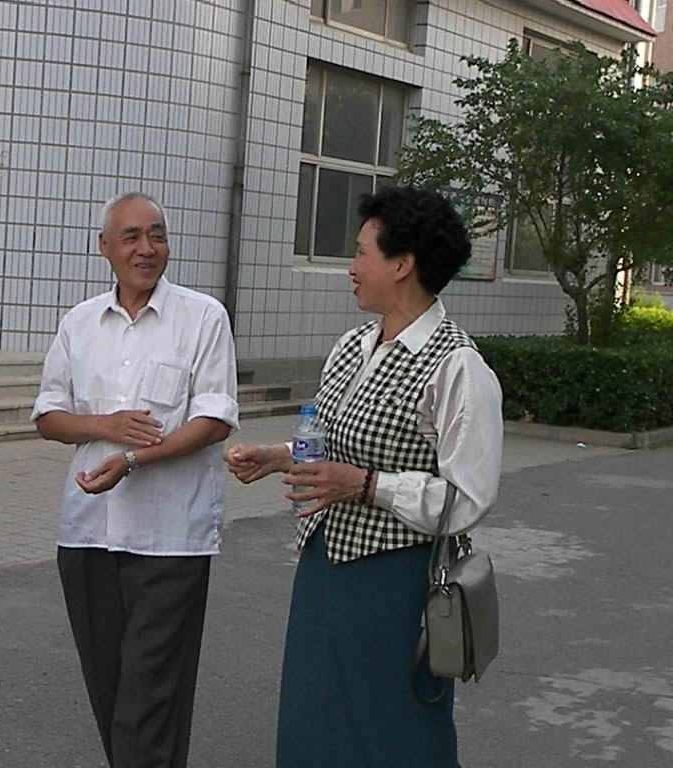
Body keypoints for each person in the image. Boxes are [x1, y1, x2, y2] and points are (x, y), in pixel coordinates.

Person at [225, 186, 503, 767]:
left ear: (402, 265)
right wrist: (281, 455)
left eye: (360, 253)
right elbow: (333, 441)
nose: (350, 268)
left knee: (393, 727)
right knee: (313, 715)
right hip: (324, 569)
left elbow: (467, 498)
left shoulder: (457, 366)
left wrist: (368, 485)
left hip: (396, 582)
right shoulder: (353, 346)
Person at [33, 192, 239, 768]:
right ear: (105, 247)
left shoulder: (203, 317)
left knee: (149, 699)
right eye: (131, 237)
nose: (147, 249)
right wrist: (105, 426)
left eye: (157, 235)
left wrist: (132, 459)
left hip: (170, 538)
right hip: (87, 534)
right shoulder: (79, 322)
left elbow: (214, 419)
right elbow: (48, 415)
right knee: (111, 690)